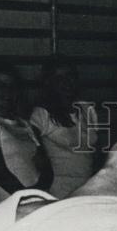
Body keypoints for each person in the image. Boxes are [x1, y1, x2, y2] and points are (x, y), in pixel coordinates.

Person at [0, 60, 52, 204]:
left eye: (12, 86)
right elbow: (1, 174)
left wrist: (39, 197)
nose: (7, 91)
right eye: (1, 85)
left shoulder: (25, 125)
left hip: (37, 204)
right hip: (12, 206)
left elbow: (46, 169)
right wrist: (28, 200)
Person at [30, 56, 98, 198]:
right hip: (59, 195)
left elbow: (98, 153)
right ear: (49, 83)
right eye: (59, 78)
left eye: (70, 76)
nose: (66, 82)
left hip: (88, 192)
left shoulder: (88, 109)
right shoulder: (41, 115)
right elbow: (32, 156)